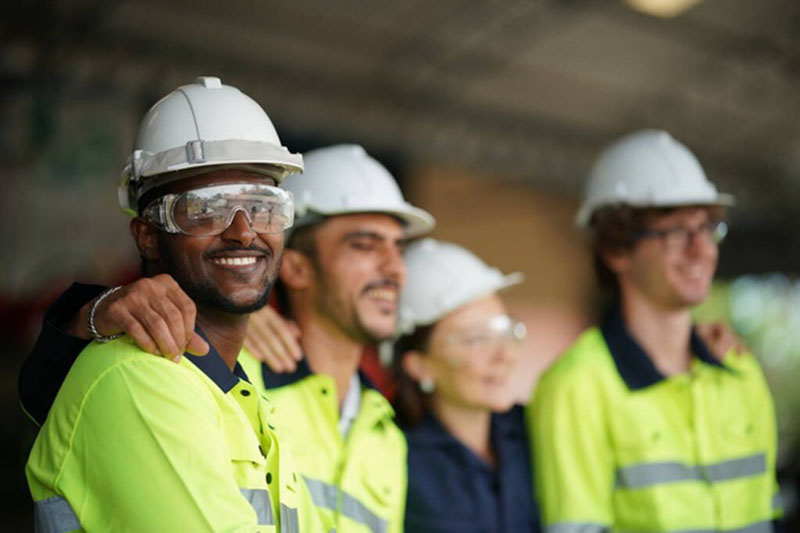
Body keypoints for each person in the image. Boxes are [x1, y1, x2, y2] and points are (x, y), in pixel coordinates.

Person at [20, 143, 435, 533]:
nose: (395, 269)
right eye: (364, 245)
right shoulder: (206, 371)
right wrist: (89, 315)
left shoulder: (381, 426)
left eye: (261, 210)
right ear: (294, 265)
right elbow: (60, 397)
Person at [25, 76, 319, 531]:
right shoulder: (139, 379)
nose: (243, 231)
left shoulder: (243, 399)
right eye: (206, 209)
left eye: (262, 205)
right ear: (148, 236)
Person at [528, 129, 782, 532]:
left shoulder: (738, 370)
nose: (702, 250)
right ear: (616, 250)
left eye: (707, 228)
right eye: (677, 232)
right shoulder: (576, 387)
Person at [393, 238, 541, 532]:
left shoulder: (535, 433)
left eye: (504, 331)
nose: (503, 354)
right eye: (475, 339)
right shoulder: (395, 456)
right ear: (419, 366)